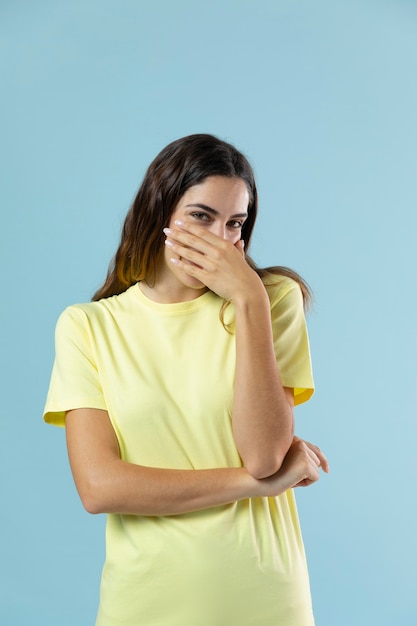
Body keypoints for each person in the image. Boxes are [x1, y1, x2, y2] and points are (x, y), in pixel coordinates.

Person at [43, 133, 329, 626]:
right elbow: (99, 486)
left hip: (265, 596)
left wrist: (248, 301)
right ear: (160, 214)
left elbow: (264, 454)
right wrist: (252, 485)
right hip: (144, 602)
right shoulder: (88, 327)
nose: (219, 240)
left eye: (234, 224)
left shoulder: (271, 300)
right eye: (201, 216)